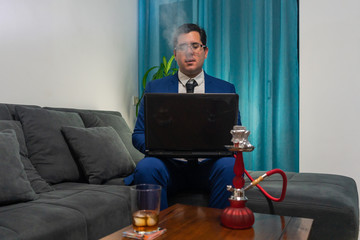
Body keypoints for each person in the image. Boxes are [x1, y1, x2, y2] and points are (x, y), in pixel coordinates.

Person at [124, 23, 241, 210]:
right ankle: (159, 233)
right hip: (169, 167)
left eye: (195, 46)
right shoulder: (155, 88)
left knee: (229, 165)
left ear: (205, 51)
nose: (190, 52)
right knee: (147, 167)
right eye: (183, 47)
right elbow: (138, 134)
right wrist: (159, 146)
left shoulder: (225, 89)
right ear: (175, 53)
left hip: (209, 168)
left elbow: (235, 136)